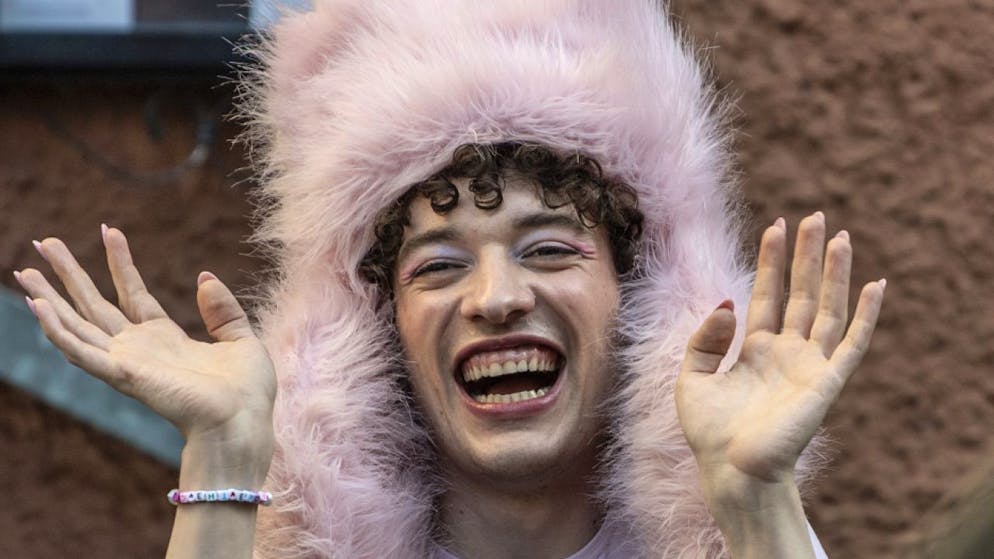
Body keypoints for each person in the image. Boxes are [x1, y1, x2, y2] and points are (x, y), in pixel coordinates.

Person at [13, 1, 884, 557]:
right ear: (378, 320)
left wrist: (755, 506)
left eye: (549, 248)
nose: (497, 296)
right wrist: (226, 457)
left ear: (639, 296)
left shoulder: (745, 527)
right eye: (438, 264)